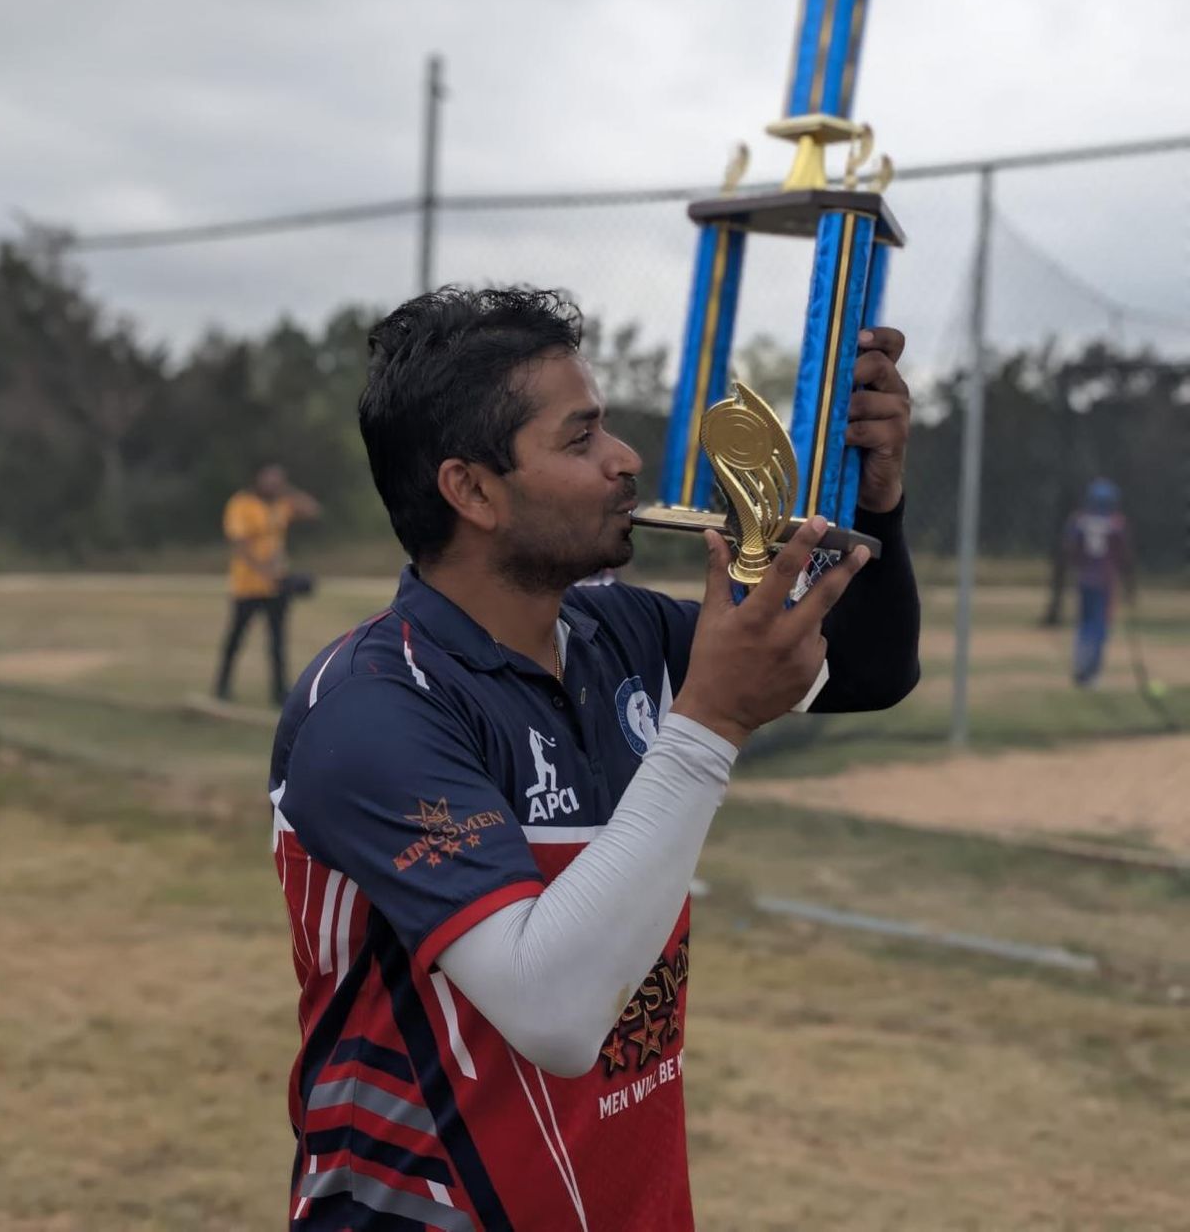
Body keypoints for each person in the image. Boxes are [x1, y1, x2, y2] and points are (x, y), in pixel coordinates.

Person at [269, 287, 920, 1231]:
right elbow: (557, 1012)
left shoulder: (622, 631)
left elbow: (868, 667)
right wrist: (707, 725)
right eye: (580, 439)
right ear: (472, 490)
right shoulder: (373, 707)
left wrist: (876, 502)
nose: (625, 459)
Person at [213, 463, 320, 708]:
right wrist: (264, 570)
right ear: (258, 479)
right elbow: (239, 544)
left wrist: (288, 490)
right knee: (236, 637)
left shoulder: (281, 504)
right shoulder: (242, 503)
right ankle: (222, 685)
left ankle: (279, 691)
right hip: (247, 585)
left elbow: (312, 509)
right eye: (269, 479)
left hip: (277, 585)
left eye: (278, 480)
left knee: (277, 641)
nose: (273, 484)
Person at [1065, 477, 1135, 687]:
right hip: (1105, 581)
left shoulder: (1079, 520)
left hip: (1085, 578)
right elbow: (1124, 554)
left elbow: (1070, 547)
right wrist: (1129, 583)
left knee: (1084, 626)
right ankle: (1091, 671)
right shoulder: (1116, 523)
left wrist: (1078, 565)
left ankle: (1080, 666)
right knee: (1099, 627)